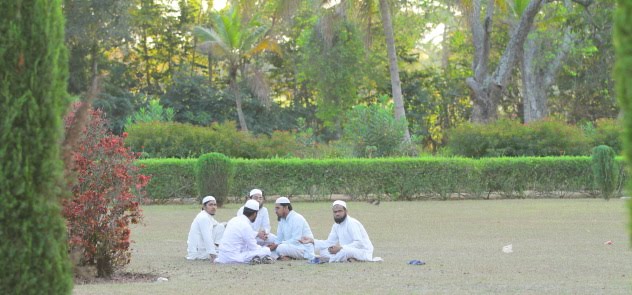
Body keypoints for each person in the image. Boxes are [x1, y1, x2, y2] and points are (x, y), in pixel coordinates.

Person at [300, 200, 377, 263]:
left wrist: (341, 248)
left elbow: (359, 243)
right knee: (323, 251)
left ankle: (329, 260)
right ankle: (348, 260)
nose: (337, 214)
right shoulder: (336, 226)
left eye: (340, 211)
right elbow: (329, 242)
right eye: (335, 212)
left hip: (362, 252)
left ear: (346, 211)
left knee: (345, 252)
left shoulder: (352, 223)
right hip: (344, 250)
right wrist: (312, 241)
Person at [216, 199, 273, 264]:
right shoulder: (246, 225)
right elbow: (253, 247)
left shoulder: (234, 219)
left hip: (222, 256)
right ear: (255, 214)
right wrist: (266, 248)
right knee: (266, 251)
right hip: (233, 258)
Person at [186, 196, 225, 262]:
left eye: (215, 205)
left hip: (201, 249)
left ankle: (218, 250)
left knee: (221, 226)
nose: (213, 207)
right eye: (210, 205)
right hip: (198, 253)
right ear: (204, 207)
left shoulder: (207, 216)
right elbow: (207, 237)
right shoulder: (203, 217)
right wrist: (213, 256)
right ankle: (216, 251)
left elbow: (219, 226)